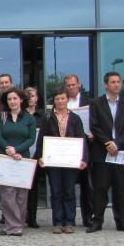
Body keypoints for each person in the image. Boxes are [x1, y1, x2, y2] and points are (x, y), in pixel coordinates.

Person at [88, 72, 124, 233]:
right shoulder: (96, 103)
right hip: (102, 152)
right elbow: (94, 125)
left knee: (121, 188)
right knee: (100, 188)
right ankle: (97, 221)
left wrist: (117, 143)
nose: (116, 84)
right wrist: (107, 143)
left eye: (118, 81)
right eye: (113, 82)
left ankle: (122, 221)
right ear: (106, 85)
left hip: (120, 152)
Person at [40, 86, 88, 233]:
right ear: (53, 101)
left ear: (67, 99)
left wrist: (84, 158)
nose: (60, 101)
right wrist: (40, 156)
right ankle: (57, 222)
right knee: (56, 192)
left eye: (63, 98)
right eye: (57, 99)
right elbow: (41, 139)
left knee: (69, 191)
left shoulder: (75, 118)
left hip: (70, 160)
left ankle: (69, 222)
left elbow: (82, 139)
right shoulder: (48, 117)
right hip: (53, 161)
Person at [0, 88, 37, 236]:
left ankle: (15, 224)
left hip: (23, 159)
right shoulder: (1, 117)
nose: (12, 101)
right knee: (7, 194)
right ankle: (13, 225)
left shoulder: (29, 118)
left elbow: (31, 139)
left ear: (21, 100)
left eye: (15, 99)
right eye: (9, 99)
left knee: (21, 194)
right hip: (5, 159)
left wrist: (17, 150)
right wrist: (9, 150)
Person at [64, 73, 94, 228]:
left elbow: (95, 122)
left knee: (86, 185)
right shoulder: (60, 103)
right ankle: (69, 219)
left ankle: (88, 217)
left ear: (79, 84)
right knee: (67, 186)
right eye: (68, 85)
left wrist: (93, 133)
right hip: (66, 150)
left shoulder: (90, 103)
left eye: (73, 85)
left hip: (85, 148)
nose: (71, 88)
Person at [23, 86, 45, 228]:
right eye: (28, 96)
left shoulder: (43, 117)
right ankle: (18, 216)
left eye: (33, 96)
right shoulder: (20, 116)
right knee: (20, 188)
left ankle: (32, 217)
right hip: (22, 155)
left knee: (34, 188)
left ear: (37, 98)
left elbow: (46, 137)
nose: (31, 98)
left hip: (37, 156)